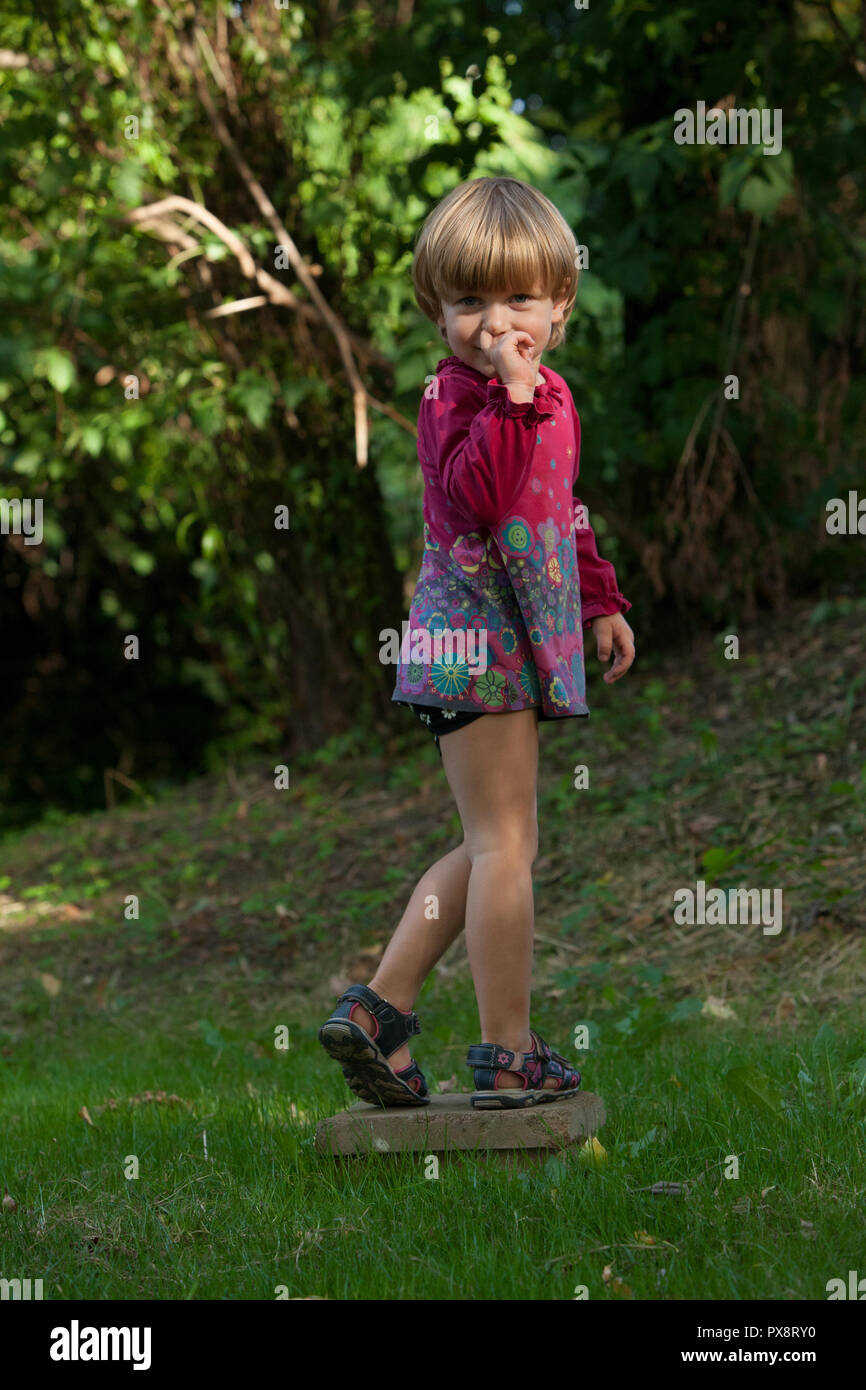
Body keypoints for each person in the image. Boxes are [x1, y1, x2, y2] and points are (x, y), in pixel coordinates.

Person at [319, 176, 635, 1110]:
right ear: (438, 311)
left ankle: (380, 1008)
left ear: (562, 304)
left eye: (519, 300)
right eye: (468, 303)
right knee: (505, 847)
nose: (494, 323)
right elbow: (484, 497)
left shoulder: (545, 396)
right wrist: (510, 395)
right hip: (470, 645)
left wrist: (599, 598)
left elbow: (557, 509)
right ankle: (507, 1053)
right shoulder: (459, 398)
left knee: (493, 841)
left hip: (504, 643)